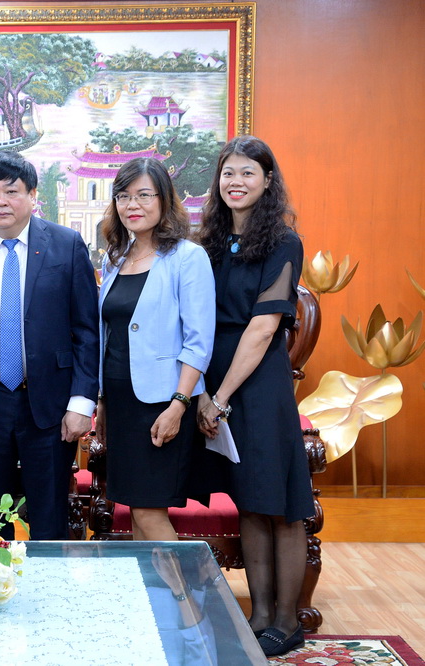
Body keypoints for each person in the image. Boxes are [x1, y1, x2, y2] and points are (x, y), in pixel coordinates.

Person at [195, 136, 314, 657]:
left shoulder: (283, 242)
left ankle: (287, 621)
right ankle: (259, 615)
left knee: (279, 503)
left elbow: (265, 327)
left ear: (267, 181)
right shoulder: (210, 241)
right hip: (215, 377)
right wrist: (202, 390)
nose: (236, 182)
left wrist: (218, 397)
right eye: (228, 173)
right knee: (249, 498)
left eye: (247, 173)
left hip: (258, 382)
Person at [0, 151, 98, 540]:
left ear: (32, 195)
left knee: (49, 515)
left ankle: (50, 580)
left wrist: (81, 403)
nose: (1, 201)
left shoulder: (65, 245)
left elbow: (86, 330)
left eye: (12, 191)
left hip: (50, 402)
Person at [97, 157, 215, 541]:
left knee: (149, 512)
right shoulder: (116, 258)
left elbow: (198, 341)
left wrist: (179, 404)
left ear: (164, 199)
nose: (132, 205)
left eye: (144, 195)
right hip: (121, 403)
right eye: (123, 196)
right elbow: (110, 334)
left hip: (162, 403)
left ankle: (183, 584)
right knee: (135, 511)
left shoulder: (187, 257)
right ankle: (153, 584)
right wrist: (102, 399)